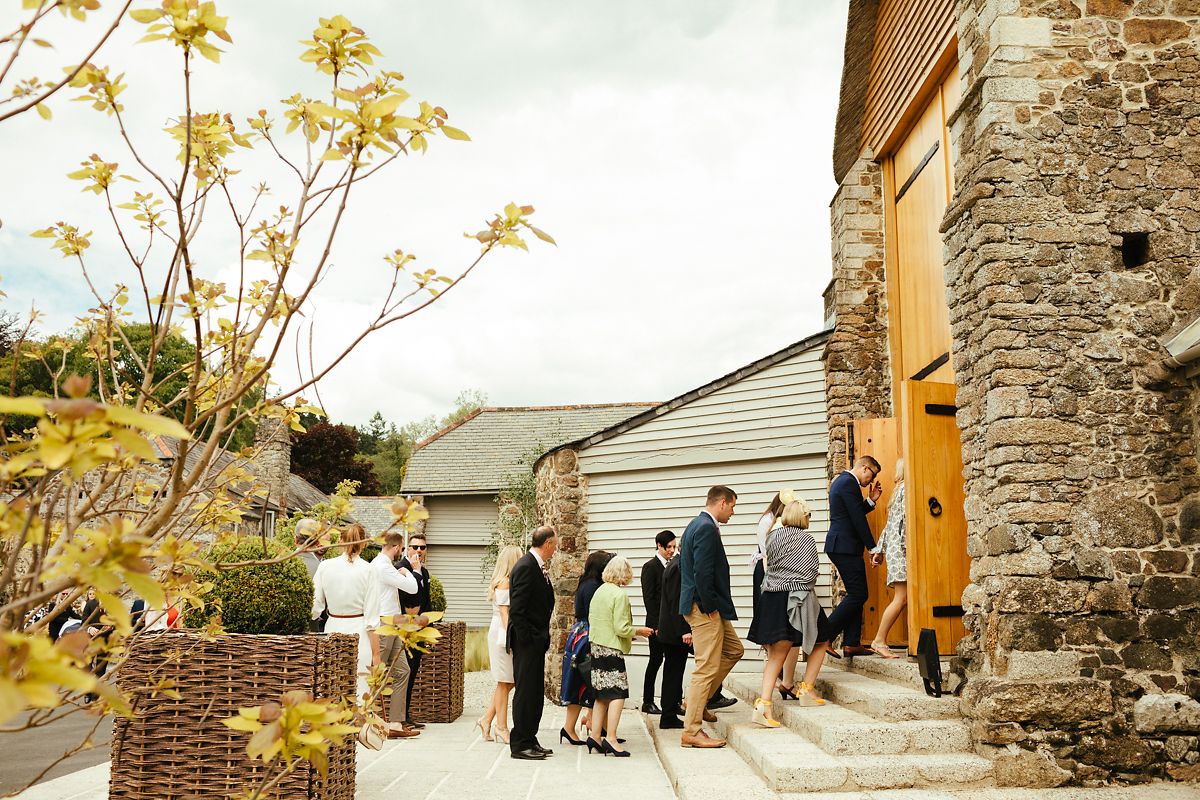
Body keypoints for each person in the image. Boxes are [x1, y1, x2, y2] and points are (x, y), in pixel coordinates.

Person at [748, 498, 836, 725]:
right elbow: (811, 571)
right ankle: (806, 689)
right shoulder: (805, 539)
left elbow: (769, 565)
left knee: (777, 653)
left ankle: (764, 704)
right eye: (808, 516)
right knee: (822, 640)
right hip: (798, 598)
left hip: (772, 598)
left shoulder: (773, 536)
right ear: (802, 517)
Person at [678, 485, 743, 749]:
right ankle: (691, 730)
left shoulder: (697, 524)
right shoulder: (705, 527)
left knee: (734, 650)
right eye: (733, 506)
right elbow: (702, 571)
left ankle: (698, 701)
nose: (733, 512)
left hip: (708, 605)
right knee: (705, 668)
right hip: (704, 607)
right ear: (722, 503)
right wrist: (708, 605)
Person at [585, 556, 653, 757]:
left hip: (597, 645)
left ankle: (595, 736)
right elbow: (621, 627)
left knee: (601, 694)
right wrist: (639, 631)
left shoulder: (599, 591)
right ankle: (611, 738)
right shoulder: (619, 595)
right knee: (618, 693)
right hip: (612, 648)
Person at [312, 523, 380, 702]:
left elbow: (315, 606)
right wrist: (377, 655)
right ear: (363, 543)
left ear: (340, 541)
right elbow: (372, 617)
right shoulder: (369, 569)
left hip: (332, 629)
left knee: (333, 686)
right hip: (360, 632)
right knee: (360, 688)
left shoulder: (325, 567)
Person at [506, 526, 558, 761]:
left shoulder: (536, 566)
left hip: (535, 642)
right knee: (526, 693)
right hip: (527, 643)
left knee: (535, 692)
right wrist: (529, 640)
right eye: (555, 546)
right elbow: (517, 609)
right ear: (547, 544)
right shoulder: (526, 566)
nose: (555, 550)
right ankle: (519, 743)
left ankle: (530, 737)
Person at [824, 455, 883, 657]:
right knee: (859, 594)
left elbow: (853, 512)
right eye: (872, 475)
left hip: (842, 546)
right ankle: (824, 636)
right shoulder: (849, 483)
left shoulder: (843, 482)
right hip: (844, 546)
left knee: (855, 594)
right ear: (865, 468)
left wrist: (870, 501)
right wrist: (873, 548)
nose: (871, 481)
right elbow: (857, 519)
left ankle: (851, 642)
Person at [370, 532, 421, 739]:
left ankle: (396, 722)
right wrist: (412, 571)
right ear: (397, 546)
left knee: (402, 671)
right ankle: (371, 722)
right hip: (384, 623)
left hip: (393, 623)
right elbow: (412, 587)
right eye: (402, 548)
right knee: (377, 672)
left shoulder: (386, 566)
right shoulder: (381, 566)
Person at [559, 550, 613, 745]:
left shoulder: (587, 583)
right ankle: (570, 727)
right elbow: (594, 615)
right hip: (587, 636)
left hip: (580, 634)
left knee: (588, 683)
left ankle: (594, 724)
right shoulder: (592, 586)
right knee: (585, 682)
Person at [480, 545, 524, 743]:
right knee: (505, 681)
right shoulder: (505, 583)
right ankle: (501, 727)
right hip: (502, 633)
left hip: (500, 630)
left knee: (508, 680)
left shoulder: (505, 582)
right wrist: (511, 638)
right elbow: (505, 613)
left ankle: (487, 719)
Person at [868, 457, 907, 659]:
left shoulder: (896, 492)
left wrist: (879, 550)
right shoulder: (906, 491)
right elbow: (903, 524)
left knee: (904, 597)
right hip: (902, 551)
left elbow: (889, 526)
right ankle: (879, 640)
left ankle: (880, 640)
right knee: (901, 598)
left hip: (894, 550)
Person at [397, 532, 433, 729]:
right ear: (407, 549)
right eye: (415, 547)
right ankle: (399, 717)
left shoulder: (424, 572)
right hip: (405, 629)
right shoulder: (400, 569)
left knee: (413, 671)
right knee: (405, 671)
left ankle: (406, 714)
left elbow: (426, 602)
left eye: (422, 547)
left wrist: (429, 627)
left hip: (420, 629)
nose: (419, 551)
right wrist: (416, 573)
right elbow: (409, 600)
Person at [640, 530, 676, 714]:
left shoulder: (673, 565)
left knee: (672, 662)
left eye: (674, 547)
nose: (671, 550)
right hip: (656, 624)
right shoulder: (650, 567)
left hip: (671, 624)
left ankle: (672, 700)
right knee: (655, 660)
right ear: (659, 546)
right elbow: (649, 599)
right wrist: (656, 626)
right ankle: (647, 700)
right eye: (668, 547)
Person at [656, 544, 691, 730]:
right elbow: (676, 601)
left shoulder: (674, 564)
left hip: (670, 631)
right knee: (673, 674)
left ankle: (669, 711)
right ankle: (668, 714)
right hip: (674, 633)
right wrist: (684, 629)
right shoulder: (678, 567)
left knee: (673, 673)